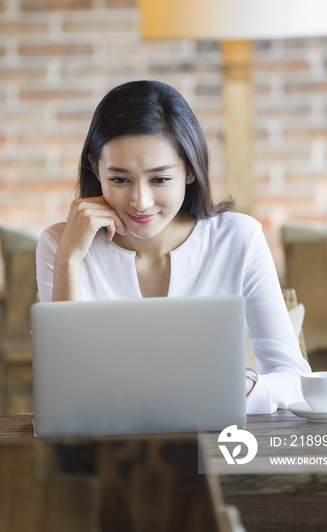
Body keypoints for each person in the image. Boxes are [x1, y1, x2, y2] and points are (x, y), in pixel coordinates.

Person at [36, 80, 310, 414]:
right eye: (119, 179)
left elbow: (296, 381)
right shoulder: (59, 245)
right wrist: (69, 259)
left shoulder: (239, 238)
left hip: (216, 440)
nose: (140, 201)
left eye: (160, 179)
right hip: (105, 449)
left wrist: (242, 386)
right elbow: (64, 391)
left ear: (191, 170)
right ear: (95, 168)